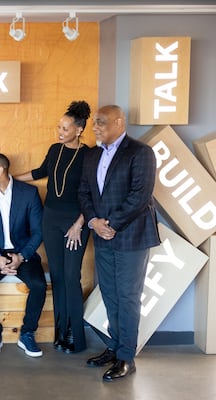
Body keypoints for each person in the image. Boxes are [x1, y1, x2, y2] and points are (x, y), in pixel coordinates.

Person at [78, 105, 160, 381]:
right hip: (102, 235)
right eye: (94, 124)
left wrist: (110, 224)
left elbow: (140, 195)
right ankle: (113, 348)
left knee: (127, 298)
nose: (95, 128)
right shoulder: (92, 155)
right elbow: (84, 192)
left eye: (100, 122)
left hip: (131, 237)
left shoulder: (140, 152)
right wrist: (94, 223)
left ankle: (126, 357)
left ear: (119, 122)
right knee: (110, 294)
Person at [15, 101, 91, 353]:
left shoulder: (89, 155)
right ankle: (61, 332)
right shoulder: (54, 149)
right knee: (57, 277)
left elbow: (93, 194)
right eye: (59, 126)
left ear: (79, 129)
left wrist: (80, 224)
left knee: (71, 277)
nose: (59, 131)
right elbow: (39, 172)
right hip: (51, 219)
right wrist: (10, 180)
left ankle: (75, 335)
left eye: (65, 127)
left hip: (75, 222)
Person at [0, 153, 47, 358]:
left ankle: (27, 333)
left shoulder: (29, 193)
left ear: (0, 170)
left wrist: (21, 256)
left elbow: (38, 231)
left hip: (23, 252)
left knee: (39, 285)